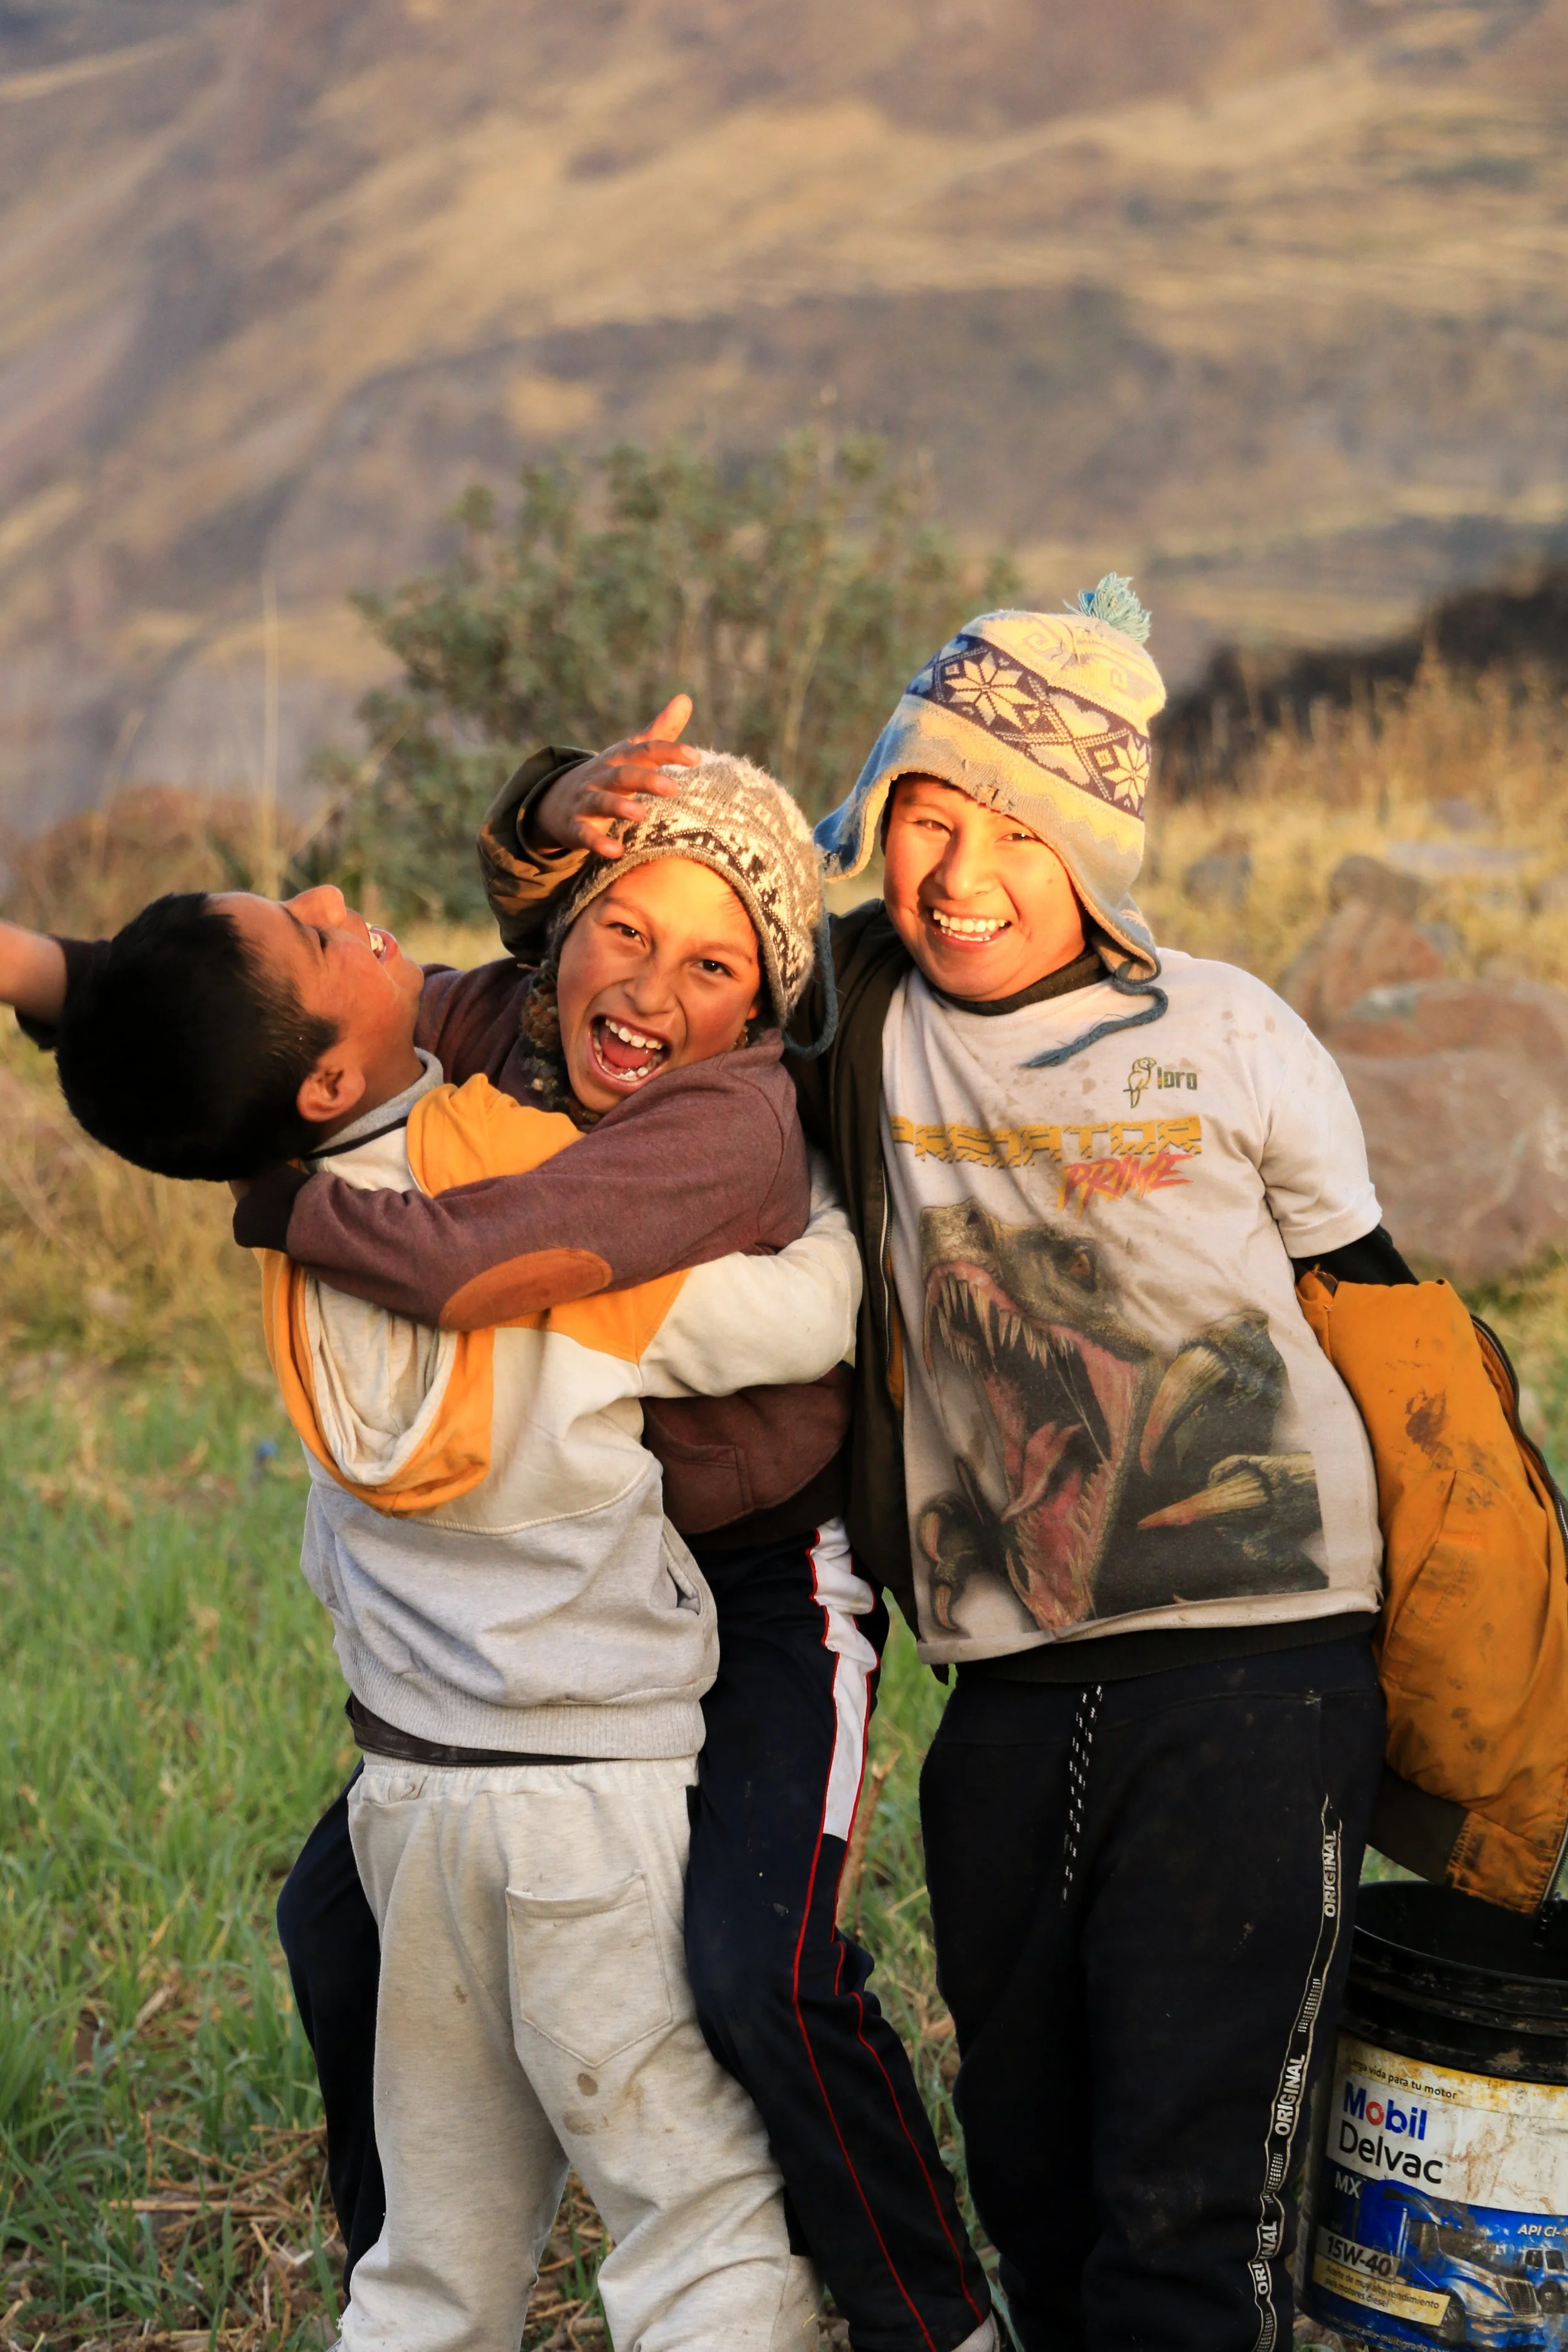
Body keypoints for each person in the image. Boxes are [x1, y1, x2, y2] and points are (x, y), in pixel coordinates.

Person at [470, 586, 1402, 2351]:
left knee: (1186, 2205)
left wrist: (1467, 1639)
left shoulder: (1229, 1027)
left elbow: (1395, 1350)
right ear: (876, 810)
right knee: (1034, 2181)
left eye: (1022, 831)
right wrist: (549, 814)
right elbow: (631, 972)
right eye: (926, 814)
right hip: (1008, 1686)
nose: (964, 870)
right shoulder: (856, 1029)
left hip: (1260, 1678)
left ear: (1100, 855)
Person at [3, 750, 997, 2352]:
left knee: (756, 1969)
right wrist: (51, 973)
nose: (647, 984)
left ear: (758, 1007)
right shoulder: (501, 1037)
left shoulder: (712, 1130)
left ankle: (925, 2320)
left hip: (751, 1570)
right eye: (619, 930)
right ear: (560, 942)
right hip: (570, 1641)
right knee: (339, 1930)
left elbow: (451, 1238)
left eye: (711, 962)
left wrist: (273, 1194)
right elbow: (228, 1016)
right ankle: (405, 2264)